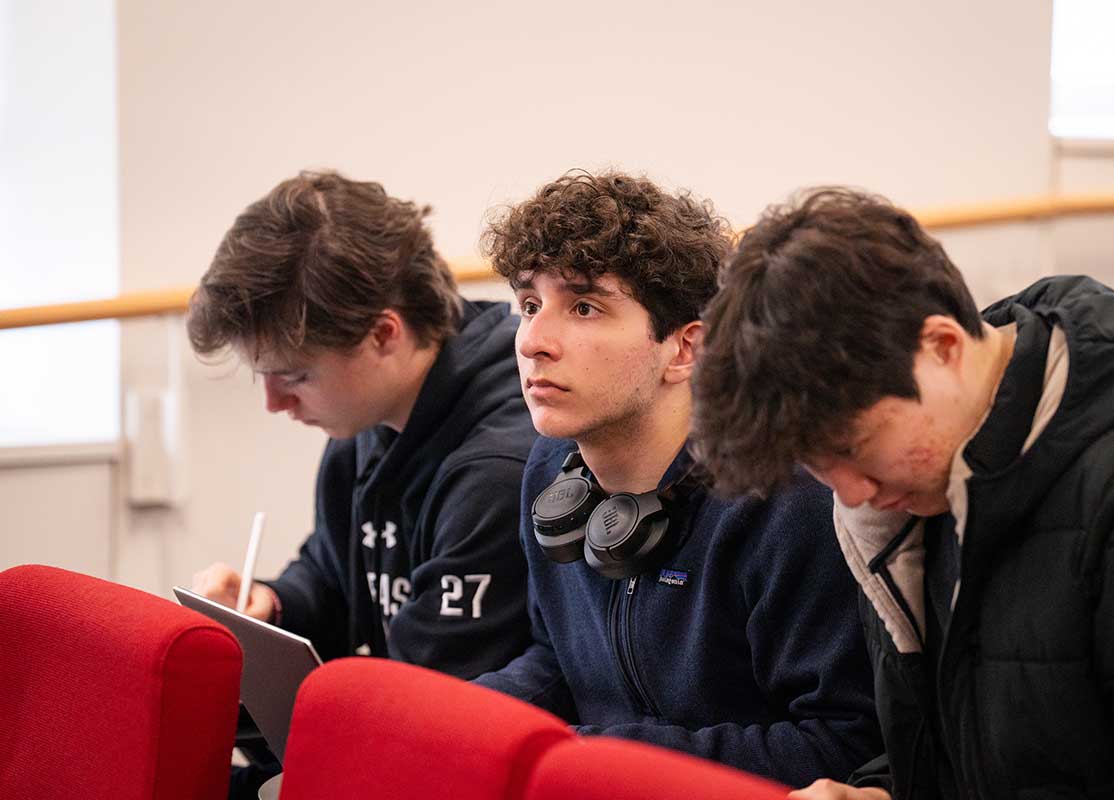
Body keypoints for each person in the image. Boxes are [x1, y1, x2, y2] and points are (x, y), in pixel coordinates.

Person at [691, 186, 1114, 799]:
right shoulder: (922, 492)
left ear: (943, 348)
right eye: (818, 466)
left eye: (854, 447)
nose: (853, 493)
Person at [472, 170, 880, 788]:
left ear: (685, 349)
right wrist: (463, 719)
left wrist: (598, 756)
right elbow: (556, 658)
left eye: (583, 307)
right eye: (530, 305)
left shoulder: (787, 499)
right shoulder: (550, 473)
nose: (533, 341)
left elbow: (840, 744)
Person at [187, 171, 537, 797]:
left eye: (292, 376)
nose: (273, 403)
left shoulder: (496, 469)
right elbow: (331, 574)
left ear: (383, 334)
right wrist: (271, 604)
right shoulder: (369, 424)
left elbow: (423, 711)